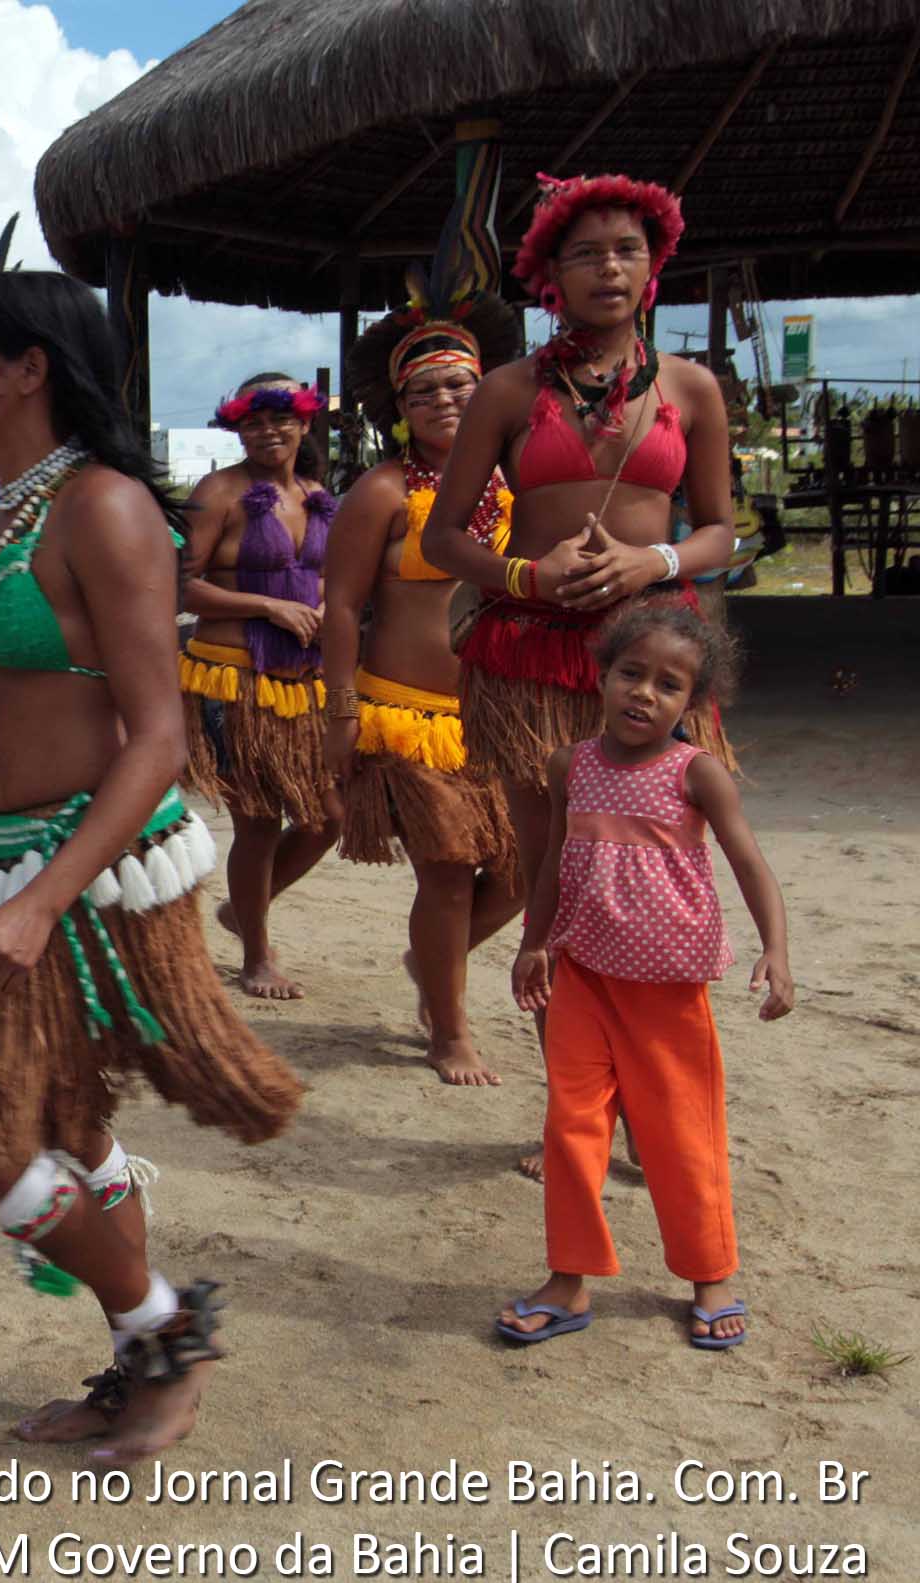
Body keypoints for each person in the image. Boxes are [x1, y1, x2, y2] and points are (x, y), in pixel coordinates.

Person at [0, 257, 304, 1465]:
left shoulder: (107, 506)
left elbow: (160, 736)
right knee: (63, 1122)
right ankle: (144, 1358)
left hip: (86, 877)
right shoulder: (9, 502)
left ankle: (166, 1332)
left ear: (31, 367)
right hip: (0, 858)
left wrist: (38, 901)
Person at [417, 172, 737, 1176]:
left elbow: (723, 530)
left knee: (652, 871)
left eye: (627, 250)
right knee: (555, 879)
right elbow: (444, 533)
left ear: (653, 269)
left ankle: (644, 1108)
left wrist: (658, 562)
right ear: (548, 275)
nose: (610, 266)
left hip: (652, 655)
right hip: (534, 655)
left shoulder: (691, 389)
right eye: (587, 251)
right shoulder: (510, 391)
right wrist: (524, 569)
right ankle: (579, 1115)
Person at [496, 606, 789, 1349]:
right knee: (570, 1127)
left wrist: (775, 950)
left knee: (680, 1135)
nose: (644, 695)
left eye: (669, 685)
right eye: (632, 674)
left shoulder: (697, 775)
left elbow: (748, 862)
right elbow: (558, 864)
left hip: (667, 992)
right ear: (601, 676)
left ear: (691, 704)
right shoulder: (572, 765)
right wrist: (534, 944)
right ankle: (569, 1279)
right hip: (584, 978)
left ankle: (709, 1273)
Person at [323, 284, 526, 1085]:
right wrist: (340, 712)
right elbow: (340, 605)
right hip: (403, 713)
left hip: (500, 714)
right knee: (445, 870)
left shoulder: (518, 484)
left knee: (517, 872)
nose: (444, 399)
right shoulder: (381, 491)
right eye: (425, 390)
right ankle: (450, 1029)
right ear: (400, 406)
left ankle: (429, 964)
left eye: (460, 385)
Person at [178, 375, 341, 999]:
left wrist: (326, 605)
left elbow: (326, 578)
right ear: (237, 429)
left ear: (304, 425)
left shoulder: (318, 494)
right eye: (253, 423)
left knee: (328, 819)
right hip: (231, 675)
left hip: (301, 680)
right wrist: (266, 608)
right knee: (258, 820)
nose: (268, 432)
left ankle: (247, 909)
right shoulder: (219, 491)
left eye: (281, 420)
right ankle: (257, 955)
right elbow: (180, 585)